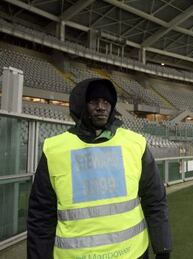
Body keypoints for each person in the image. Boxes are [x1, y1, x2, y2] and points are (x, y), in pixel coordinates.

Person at [27, 78, 172, 259]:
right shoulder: (55, 149)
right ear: (81, 104)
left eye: (106, 102)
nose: (101, 107)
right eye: (94, 101)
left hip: (132, 253)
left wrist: (163, 248)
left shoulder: (136, 144)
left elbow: (155, 200)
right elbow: (41, 215)